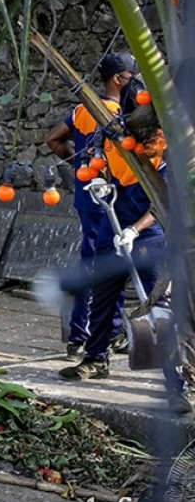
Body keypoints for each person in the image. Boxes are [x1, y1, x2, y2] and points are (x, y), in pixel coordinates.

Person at [57, 103, 191, 413]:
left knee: (160, 310)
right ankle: (95, 359)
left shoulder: (170, 158)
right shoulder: (118, 143)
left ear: (158, 138)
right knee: (103, 297)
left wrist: (134, 230)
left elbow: (165, 206)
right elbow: (100, 164)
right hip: (111, 226)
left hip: (150, 235)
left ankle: (176, 385)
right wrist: (100, 180)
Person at [45, 53, 138, 360]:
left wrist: (80, 166)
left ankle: (81, 336)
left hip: (88, 197)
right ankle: (105, 333)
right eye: (132, 77)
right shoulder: (115, 114)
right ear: (118, 79)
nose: (136, 84)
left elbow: (54, 140)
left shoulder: (83, 109)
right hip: (110, 200)